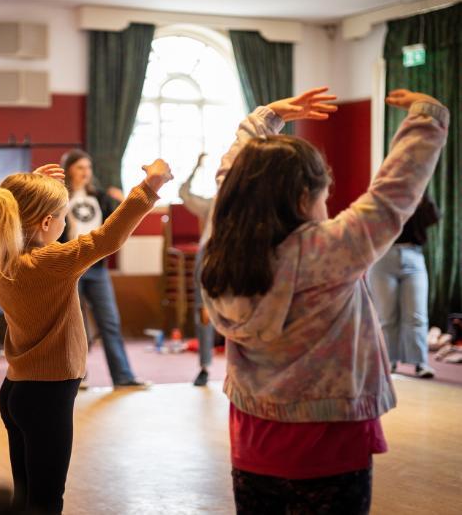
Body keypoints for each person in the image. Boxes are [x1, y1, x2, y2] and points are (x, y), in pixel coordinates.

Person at [201, 87, 448, 514]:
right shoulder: (329, 251)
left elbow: (230, 180)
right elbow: (394, 194)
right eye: (323, 194)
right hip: (330, 444)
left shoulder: (227, 244)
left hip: (252, 441)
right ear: (303, 199)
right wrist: (428, 117)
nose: (327, 203)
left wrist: (263, 119)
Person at [0, 160, 172, 514]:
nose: (65, 224)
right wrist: (149, 187)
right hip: (47, 394)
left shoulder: (3, 257)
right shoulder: (49, 261)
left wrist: (36, 187)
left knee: (26, 497)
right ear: (47, 222)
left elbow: (9, 206)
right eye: (62, 217)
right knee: (46, 501)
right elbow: (109, 237)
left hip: (17, 390)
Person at [59, 149, 150, 390]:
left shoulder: (100, 196)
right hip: (71, 266)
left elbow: (118, 223)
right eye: (80, 167)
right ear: (69, 170)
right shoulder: (59, 196)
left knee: (110, 322)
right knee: (75, 326)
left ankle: (123, 376)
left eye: (88, 168)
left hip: (97, 267)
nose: (85, 172)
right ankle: (77, 376)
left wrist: (121, 201)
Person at [368, 193, 440, 378]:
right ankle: (388, 362)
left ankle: (420, 363)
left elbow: (432, 217)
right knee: (386, 316)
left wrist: (420, 197)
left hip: (413, 255)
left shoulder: (421, 195)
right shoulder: (382, 195)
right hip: (384, 257)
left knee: (417, 314)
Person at [178, 153, 216, 386]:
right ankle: (204, 367)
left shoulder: (248, 202)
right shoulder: (211, 204)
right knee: (203, 313)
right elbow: (183, 194)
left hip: (236, 254)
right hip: (208, 254)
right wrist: (195, 167)